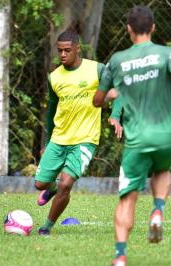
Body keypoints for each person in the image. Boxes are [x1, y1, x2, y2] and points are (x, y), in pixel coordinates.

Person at [93, 5, 171, 266]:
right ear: (153, 28)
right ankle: (158, 210)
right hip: (168, 134)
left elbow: (97, 100)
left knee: (127, 198)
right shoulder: (168, 52)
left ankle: (119, 256)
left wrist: (114, 93)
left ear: (128, 29)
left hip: (138, 138)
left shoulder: (116, 61)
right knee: (163, 169)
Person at [34, 30, 119, 235]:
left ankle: (46, 227)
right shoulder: (54, 77)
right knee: (40, 184)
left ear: (77, 49)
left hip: (85, 139)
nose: (62, 55)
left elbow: (118, 91)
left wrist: (115, 114)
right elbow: (52, 110)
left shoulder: (97, 69)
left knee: (65, 184)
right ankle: (50, 189)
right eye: (60, 51)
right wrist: (47, 140)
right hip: (59, 138)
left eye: (67, 50)